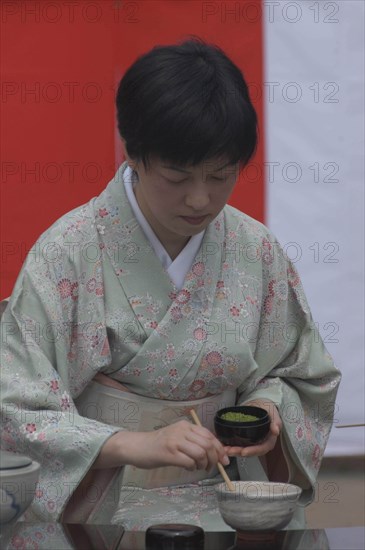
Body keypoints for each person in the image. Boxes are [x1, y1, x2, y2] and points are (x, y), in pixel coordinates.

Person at [0, 38, 341, 531]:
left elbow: (301, 372)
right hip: (102, 509)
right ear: (134, 154)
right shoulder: (67, 253)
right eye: (178, 177)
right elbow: (15, 403)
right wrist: (129, 444)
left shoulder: (255, 249)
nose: (200, 199)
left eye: (221, 176)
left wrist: (267, 409)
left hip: (229, 500)